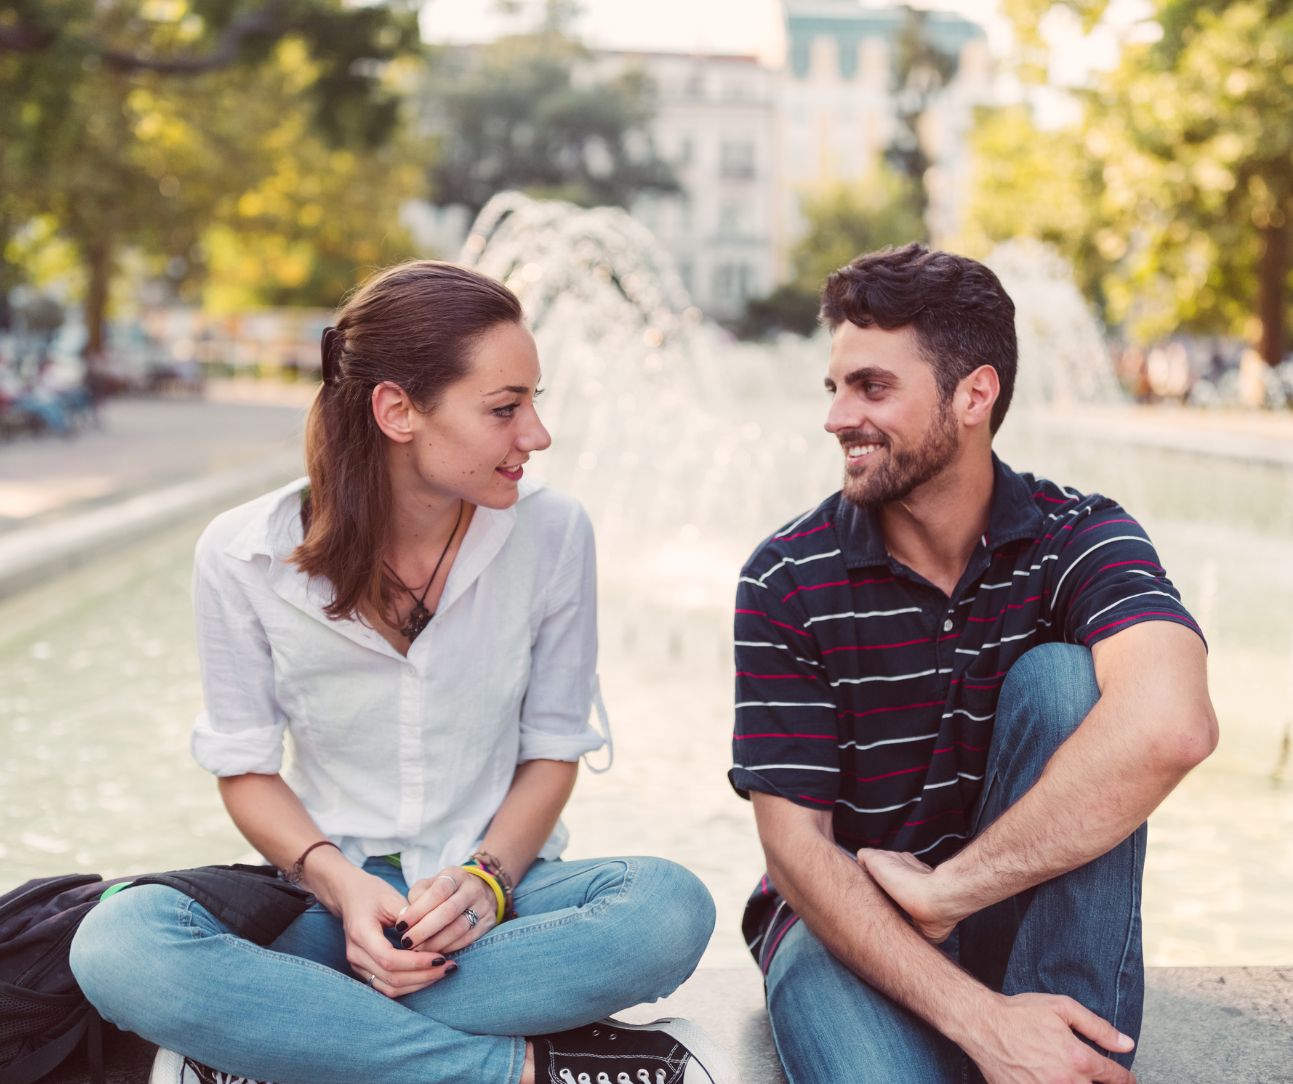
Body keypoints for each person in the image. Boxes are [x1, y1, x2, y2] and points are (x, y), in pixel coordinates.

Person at [70, 261, 735, 1084]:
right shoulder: (242, 554)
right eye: (504, 408)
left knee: (668, 910)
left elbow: (553, 750)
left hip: (502, 900)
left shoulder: (553, 533)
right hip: (327, 903)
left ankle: (281, 1042)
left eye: (534, 400)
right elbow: (244, 770)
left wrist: (486, 882)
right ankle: (516, 1071)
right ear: (396, 411)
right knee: (119, 944)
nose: (536, 434)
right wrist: (343, 888)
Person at [729, 244, 1217, 1084]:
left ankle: (1061, 1057)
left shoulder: (1077, 536)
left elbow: (1172, 725)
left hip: (1018, 924)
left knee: (1067, 684)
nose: (837, 417)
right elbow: (794, 851)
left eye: (871, 387)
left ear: (973, 395)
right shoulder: (786, 577)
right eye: (835, 386)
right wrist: (982, 1023)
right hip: (848, 930)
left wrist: (948, 893)